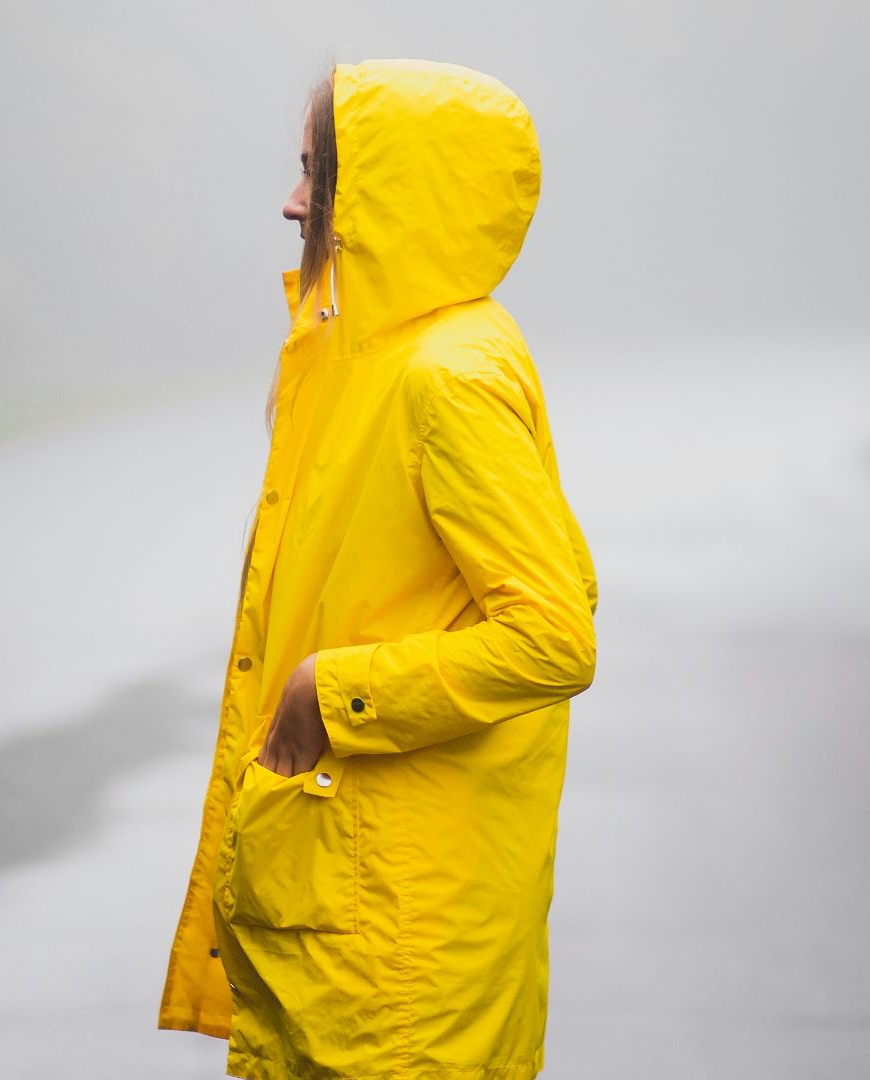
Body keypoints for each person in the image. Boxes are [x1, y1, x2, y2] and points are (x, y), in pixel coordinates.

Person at [156, 57, 600, 1079]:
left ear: (390, 195)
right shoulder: (357, 356)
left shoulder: (447, 377)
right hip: (358, 906)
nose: (291, 203)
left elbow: (551, 635)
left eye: (317, 176)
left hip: (402, 940)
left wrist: (335, 690)